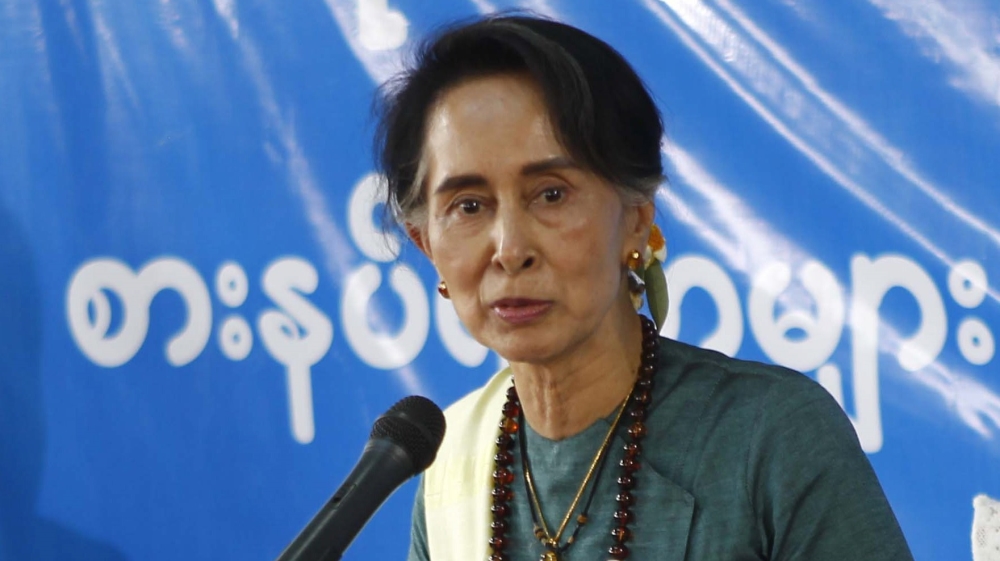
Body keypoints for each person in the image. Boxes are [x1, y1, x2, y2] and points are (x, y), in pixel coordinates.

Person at [374, 14, 914, 561]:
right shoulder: (450, 467)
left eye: (551, 194)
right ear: (427, 244)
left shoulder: (772, 437)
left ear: (635, 215)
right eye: (469, 206)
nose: (511, 248)